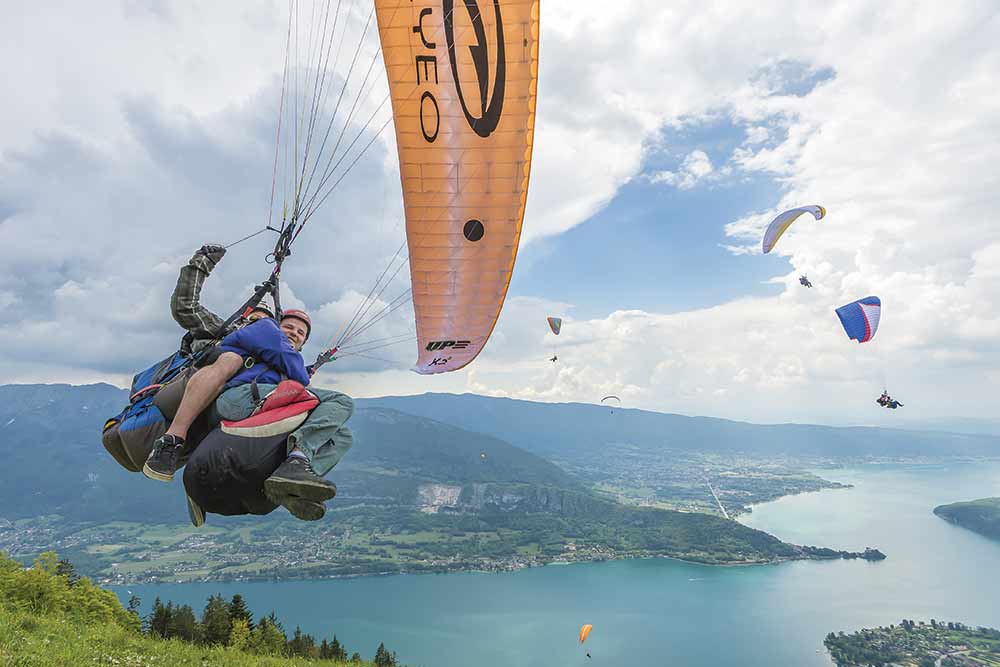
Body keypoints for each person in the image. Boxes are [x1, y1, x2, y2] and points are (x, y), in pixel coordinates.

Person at [146, 309, 355, 522]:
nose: (294, 333)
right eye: (289, 327)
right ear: (278, 327)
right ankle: (296, 463)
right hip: (240, 399)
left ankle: (290, 488)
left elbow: (294, 369)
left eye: (300, 333)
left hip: (266, 406)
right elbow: (296, 370)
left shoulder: (282, 361)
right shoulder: (265, 333)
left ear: (302, 344)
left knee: (341, 435)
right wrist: (300, 373)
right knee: (340, 402)